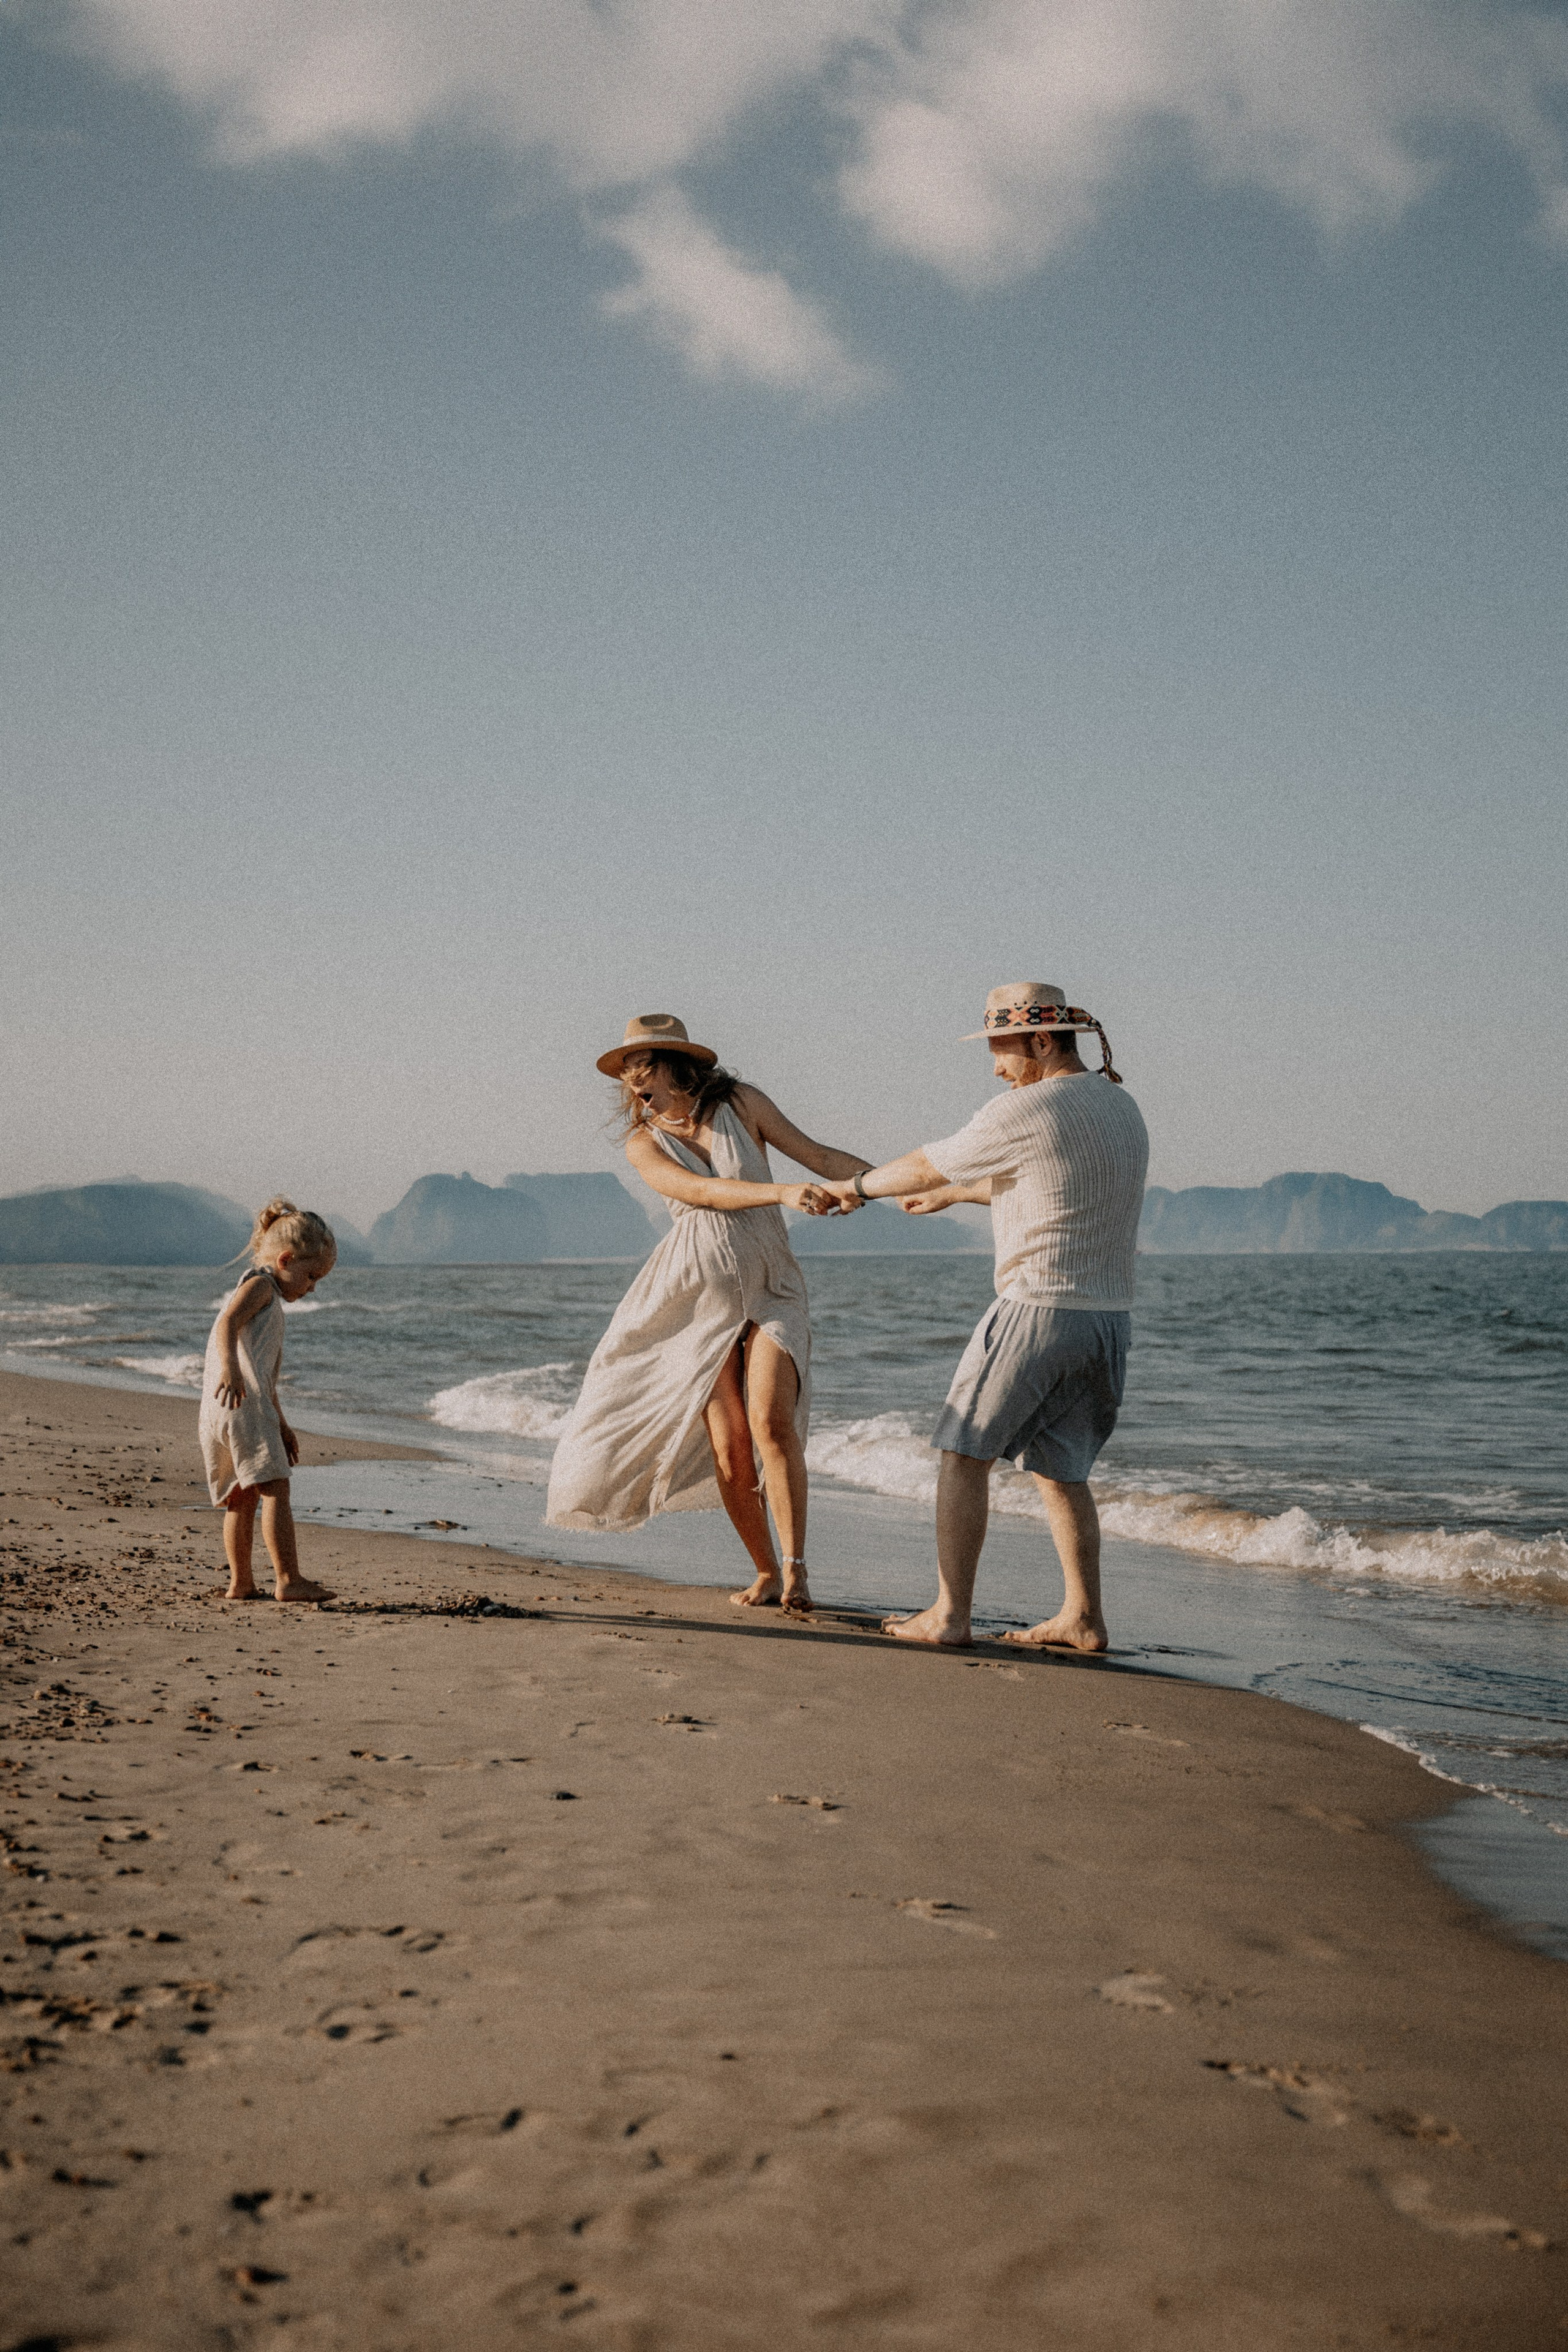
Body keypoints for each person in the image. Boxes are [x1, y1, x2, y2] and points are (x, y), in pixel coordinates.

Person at [821, 982, 1148, 1651]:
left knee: (962, 1452)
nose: (995, 1066)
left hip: (1035, 1309)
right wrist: (954, 1194)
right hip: (1107, 1322)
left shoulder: (1026, 1106)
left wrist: (851, 1187)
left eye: (1000, 1049)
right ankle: (1083, 1618)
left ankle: (948, 1616)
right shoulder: (1120, 1106)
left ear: (1039, 1041)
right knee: (1063, 1472)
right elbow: (1049, 1184)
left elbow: (917, 1163)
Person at [546, 1013, 871, 1614]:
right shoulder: (642, 1141)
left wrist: (884, 1183)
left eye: (642, 1066)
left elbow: (816, 1153)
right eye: (626, 1071)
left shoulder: (742, 1104)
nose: (632, 1080)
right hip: (693, 1302)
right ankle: (765, 1569)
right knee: (730, 1449)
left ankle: (798, 1570)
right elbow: (701, 1194)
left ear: (675, 1064)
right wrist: (779, 1193)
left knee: (772, 1426)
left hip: (774, 1289)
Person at [200, 1200, 337, 1604]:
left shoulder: (264, 1292)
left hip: (223, 1407)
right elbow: (227, 1322)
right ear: (286, 1259)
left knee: (241, 1496)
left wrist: (281, 1423)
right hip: (241, 1401)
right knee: (276, 1487)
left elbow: (265, 1378)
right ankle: (288, 1578)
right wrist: (230, 1368)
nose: (311, 1288)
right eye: (311, 1277)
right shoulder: (261, 1286)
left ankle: (241, 1583)